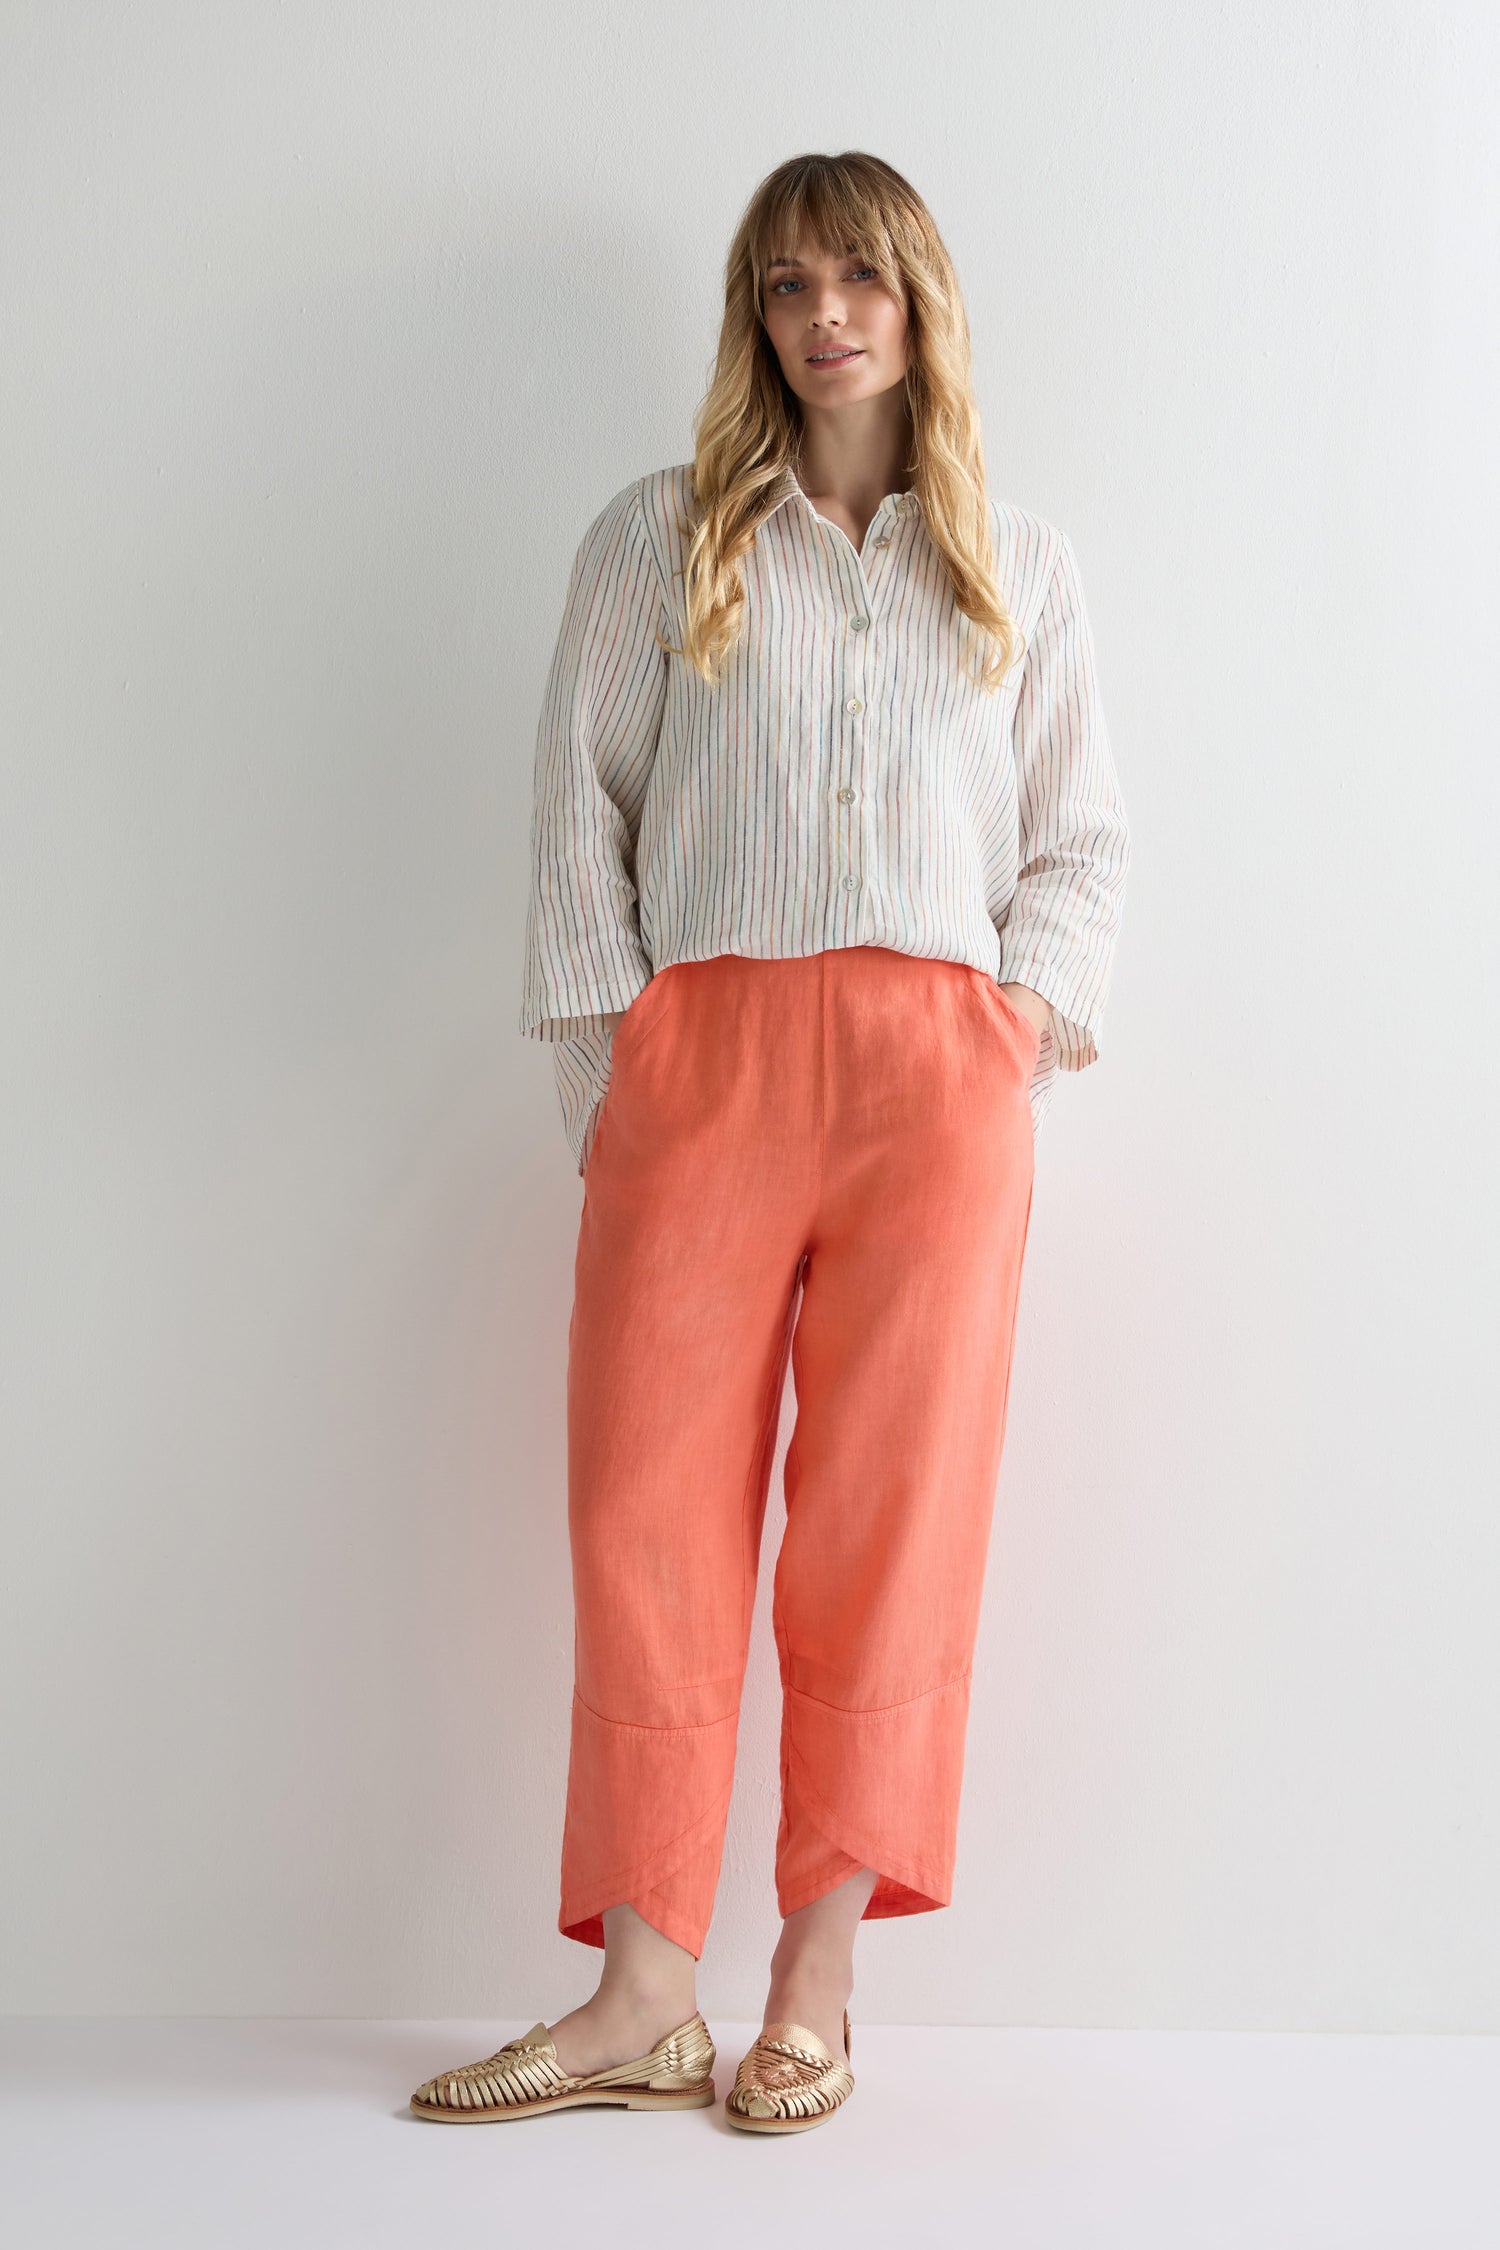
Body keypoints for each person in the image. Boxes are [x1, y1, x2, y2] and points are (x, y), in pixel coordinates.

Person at [410, 148, 1131, 2135]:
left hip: (937, 1081)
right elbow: (579, 823)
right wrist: (621, 1074)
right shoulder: (658, 542)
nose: (827, 316)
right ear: (755, 315)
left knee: (890, 1530)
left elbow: (1082, 844)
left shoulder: (1017, 568)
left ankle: (811, 1985)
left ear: (920, 303)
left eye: (861, 280)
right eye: (790, 284)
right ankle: (646, 1989)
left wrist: (1011, 1037)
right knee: (646, 1513)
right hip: (703, 1064)